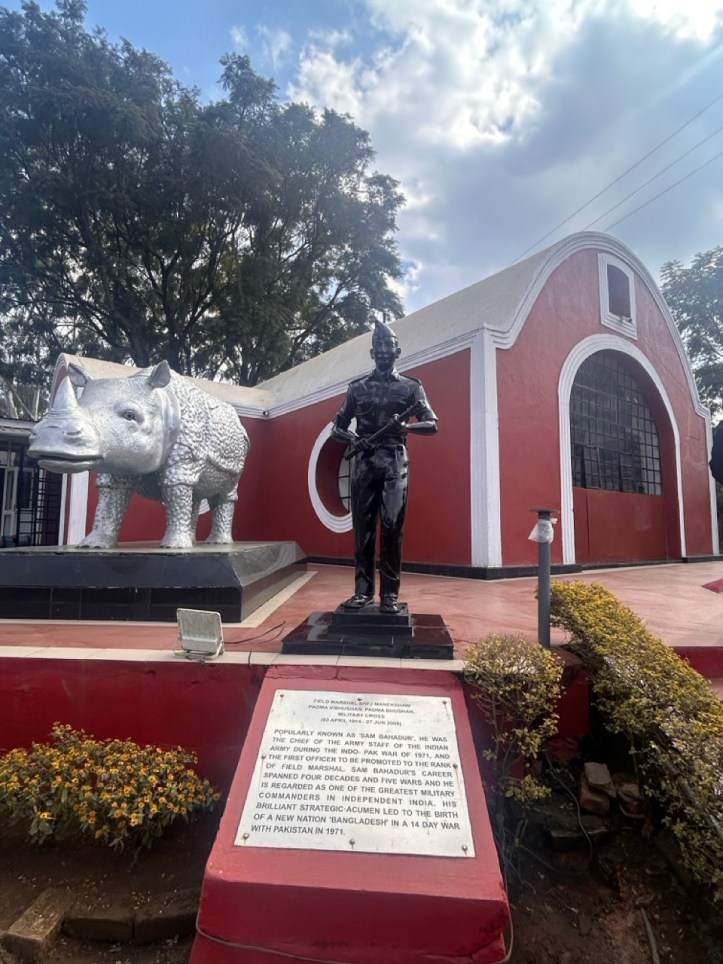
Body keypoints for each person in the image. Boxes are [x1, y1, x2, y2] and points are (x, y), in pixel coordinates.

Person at [331, 319, 438, 614]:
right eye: (378, 347)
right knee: (363, 529)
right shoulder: (357, 389)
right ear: (371, 353)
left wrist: (405, 426)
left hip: (394, 459)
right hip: (364, 462)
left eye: (388, 346)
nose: (383, 351)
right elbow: (336, 427)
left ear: (398, 351)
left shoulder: (412, 388)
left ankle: (389, 594)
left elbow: (432, 424)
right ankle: (362, 591)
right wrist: (354, 439)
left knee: (392, 526)